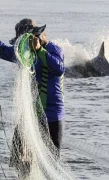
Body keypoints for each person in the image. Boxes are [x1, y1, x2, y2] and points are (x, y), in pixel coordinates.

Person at [0, 18, 65, 174]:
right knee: (19, 156)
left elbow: (59, 68)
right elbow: (3, 50)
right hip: (30, 117)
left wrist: (39, 50)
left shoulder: (54, 49)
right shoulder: (25, 54)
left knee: (50, 165)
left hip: (51, 117)